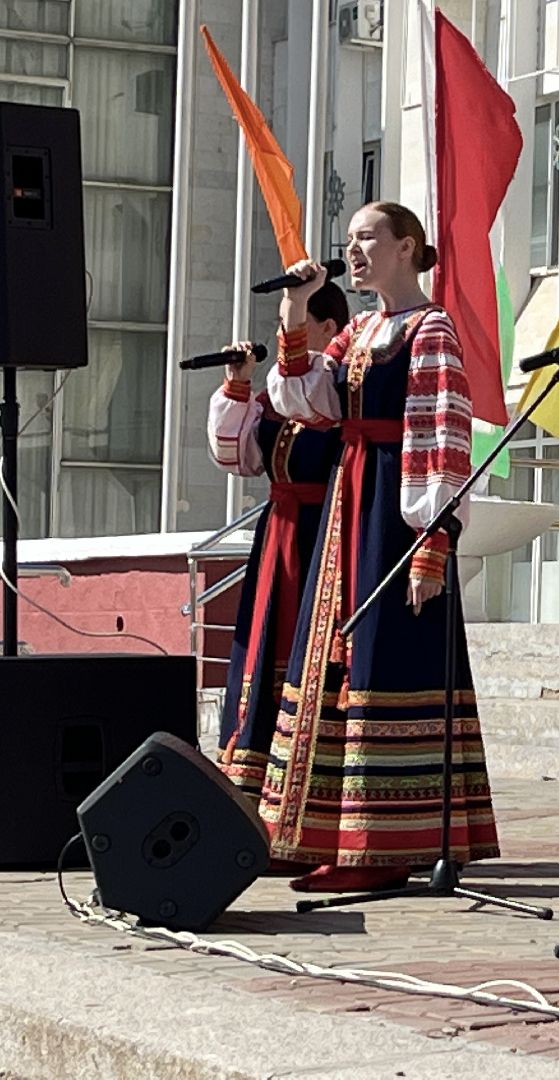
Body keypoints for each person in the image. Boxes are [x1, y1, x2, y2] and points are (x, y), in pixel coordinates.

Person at [261, 201, 500, 892]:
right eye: (349, 241)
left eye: (368, 238)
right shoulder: (360, 329)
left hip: (394, 506)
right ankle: (313, 831)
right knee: (331, 653)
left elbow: (445, 434)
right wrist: (297, 309)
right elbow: (303, 401)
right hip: (351, 495)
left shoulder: (431, 328)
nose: (355, 250)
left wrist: (433, 541)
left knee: (385, 656)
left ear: (406, 246)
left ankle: (386, 840)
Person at [207, 283, 347, 808]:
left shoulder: (335, 388)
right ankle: (250, 779)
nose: (283, 335)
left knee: (299, 643)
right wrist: (236, 385)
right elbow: (235, 459)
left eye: (296, 321)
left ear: (329, 328)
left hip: (320, 530)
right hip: (278, 530)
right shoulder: (271, 396)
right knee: (261, 642)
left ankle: (302, 786)